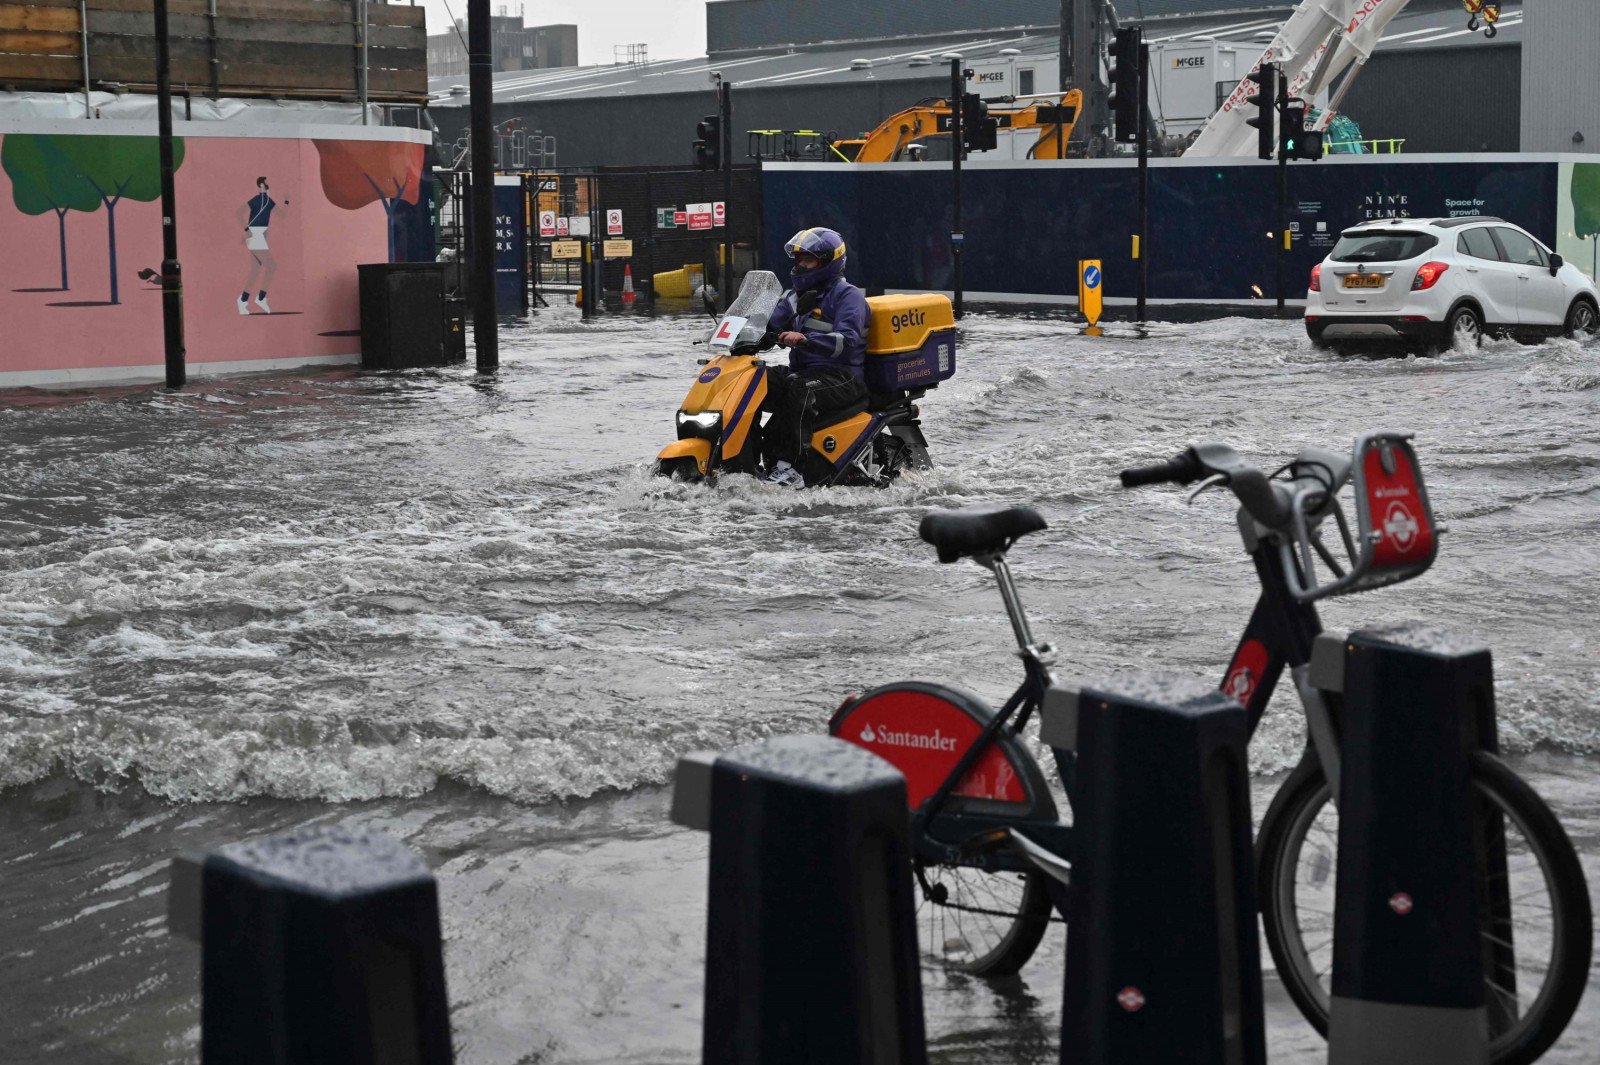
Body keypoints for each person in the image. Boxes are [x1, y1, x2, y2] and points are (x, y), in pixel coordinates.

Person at [761, 227, 870, 488]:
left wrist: (806, 340)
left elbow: (848, 341)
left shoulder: (848, 296)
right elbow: (767, 325)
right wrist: (743, 333)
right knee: (752, 378)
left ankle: (792, 469)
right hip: (804, 372)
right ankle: (740, 458)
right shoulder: (793, 297)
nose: (800, 266)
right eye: (798, 259)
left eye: (807, 260)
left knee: (799, 389)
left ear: (828, 263)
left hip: (842, 376)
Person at [238, 176, 288, 315]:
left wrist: (286, 201)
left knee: (255, 271)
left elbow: (282, 215)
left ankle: (243, 301)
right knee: (271, 266)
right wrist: (247, 230)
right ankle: (260, 298)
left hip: (262, 235)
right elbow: (239, 212)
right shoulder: (256, 200)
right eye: (266, 182)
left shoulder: (268, 201)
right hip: (256, 235)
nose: (268, 184)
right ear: (261, 185)